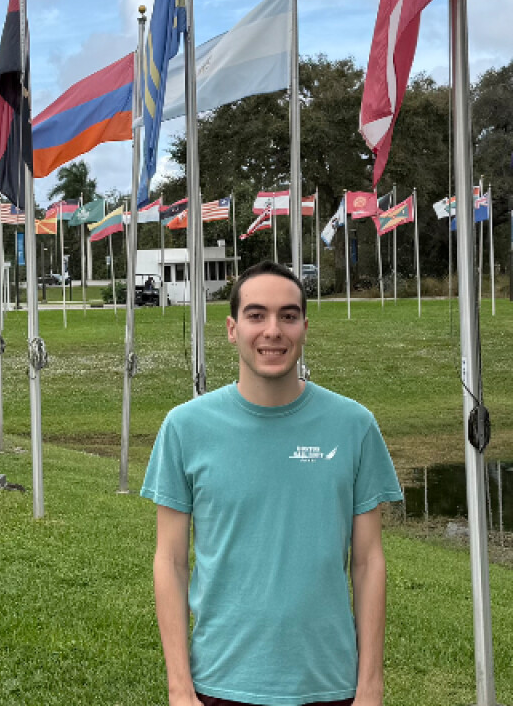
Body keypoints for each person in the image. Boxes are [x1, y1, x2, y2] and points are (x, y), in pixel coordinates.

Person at [141, 260, 402, 706]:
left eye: (288, 316)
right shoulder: (185, 428)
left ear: (305, 327)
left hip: (330, 684)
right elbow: (171, 562)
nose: (273, 331)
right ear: (232, 329)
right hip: (219, 685)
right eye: (256, 315)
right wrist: (179, 688)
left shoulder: (354, 426)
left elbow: (367, 562)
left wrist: (371, 686)